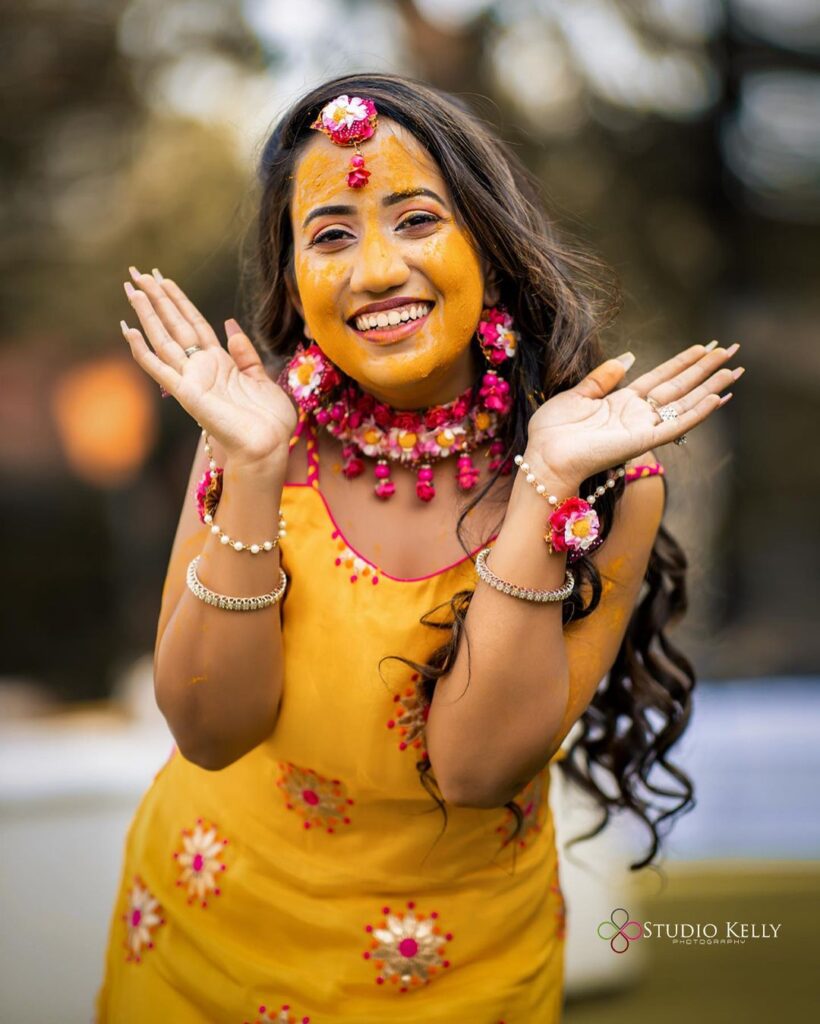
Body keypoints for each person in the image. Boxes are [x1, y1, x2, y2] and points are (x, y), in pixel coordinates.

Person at [97, 73, 743, 1023]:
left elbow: (477, 772)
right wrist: (255, 463)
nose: (375, 271)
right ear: (291, 283)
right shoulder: (256, 437)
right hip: (208, 944)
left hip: (463, 972)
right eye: (330, 236)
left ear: (487, 240)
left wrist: (542, 489)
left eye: (416, 219)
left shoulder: (606, 480)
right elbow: (210, 730)